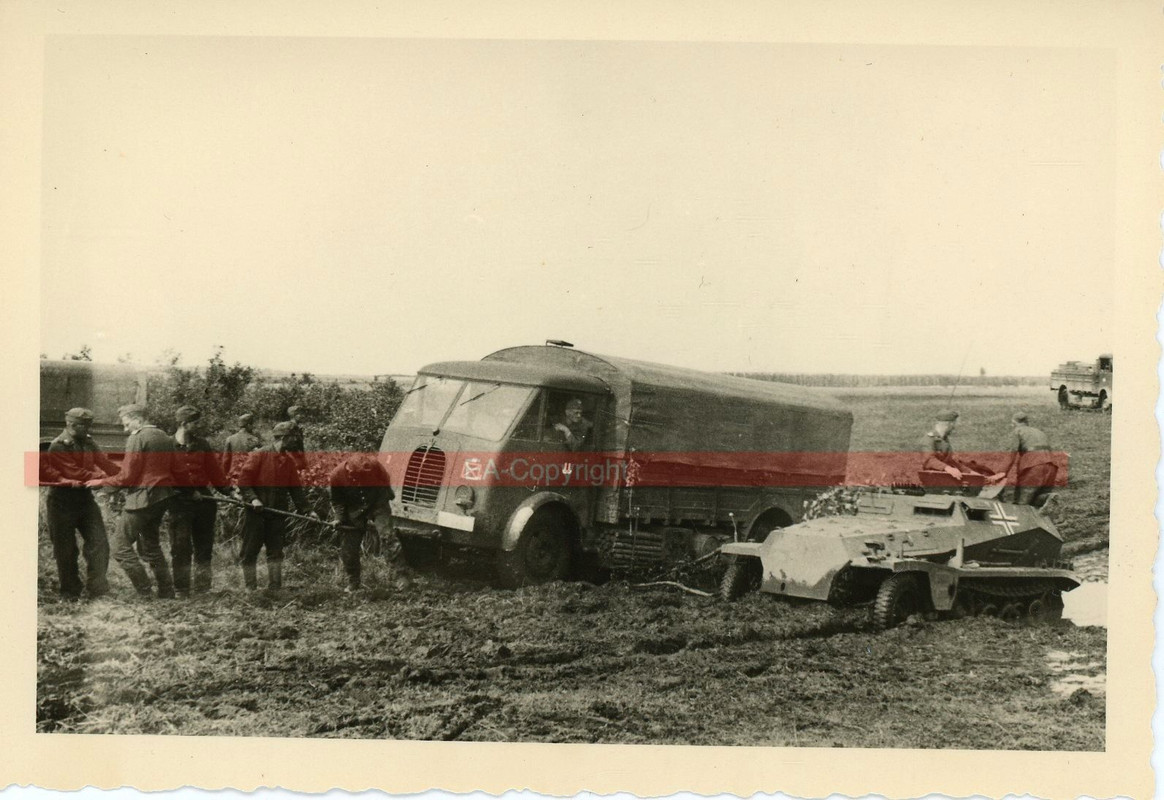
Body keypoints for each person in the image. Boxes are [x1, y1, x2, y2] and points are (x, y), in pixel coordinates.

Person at [86, 404, 177, 599]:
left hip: (142, 500)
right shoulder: (165, 436)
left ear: (138, 419)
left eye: (127, 424)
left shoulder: (137, 438)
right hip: (162, 498)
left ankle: (145, 592)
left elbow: (127, 477)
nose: (126, 429)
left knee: (120, 547)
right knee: (152, 545)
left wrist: (102, 482)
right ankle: (167, 591)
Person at [40, 407, 119, 600]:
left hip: (85, 501)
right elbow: (74, 472)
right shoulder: (59, 445)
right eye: (84, 425)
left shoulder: (89, 441)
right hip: (61, 502)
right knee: (66, 549)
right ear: (71, 425)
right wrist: (100, 477)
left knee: (100, 543)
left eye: (89, 425)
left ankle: (98, 589)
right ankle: (70, 591)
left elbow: (105, 463)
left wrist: (122, 475)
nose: (88, 428)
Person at [236, 421, 313, 591]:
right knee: (250, 551)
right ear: (284, 438)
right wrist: (253, 499)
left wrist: (308, 510)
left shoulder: (288, 462)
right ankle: (250, 589)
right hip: (256, 513)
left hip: (277, 514)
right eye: (294, 438)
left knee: (276, 552)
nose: (296, 441)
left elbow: (296, 491)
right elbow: (244, 481)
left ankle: (275, 589)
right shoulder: (259, 455)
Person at [170, 406, 231, 597]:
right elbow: (166, 476)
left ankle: (203, 588)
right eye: (195, 422)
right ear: (183, 423)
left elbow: (215, 473)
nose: (199, 425)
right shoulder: (167, 445)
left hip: (204, 502)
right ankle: (181, 588)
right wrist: (188, 491)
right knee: (180, 547)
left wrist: (230, 491)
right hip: (179, 502)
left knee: (204, 547)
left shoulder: (203, 444)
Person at [327, 453, 395, 592]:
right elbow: (337, 501)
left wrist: (387, 494)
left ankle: (402, 578)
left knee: (388, 537)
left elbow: (385, 477)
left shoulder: (375, 465)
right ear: (349, 470)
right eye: (357, 477)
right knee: (349, 548)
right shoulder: (336, 476)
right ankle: (353, 582)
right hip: (353, 509)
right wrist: (339, 518)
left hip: (377, 502)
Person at [998, 412, 1059, 507]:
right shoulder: (1039, 432)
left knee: (1022, 503)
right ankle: (1047, 498)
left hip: (1033, 468)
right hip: (1051, 467)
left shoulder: (1018, 431)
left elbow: (1010, 455)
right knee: (1039, 500)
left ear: (1014, 423)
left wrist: (1000, 475)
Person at [223, 413, 262, 481]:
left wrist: (226, 476)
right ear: (249, 425)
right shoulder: (255, 439)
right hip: (250, 477)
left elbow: (225, 461)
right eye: (252, 425)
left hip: (234, 477)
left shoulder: (229, 439)